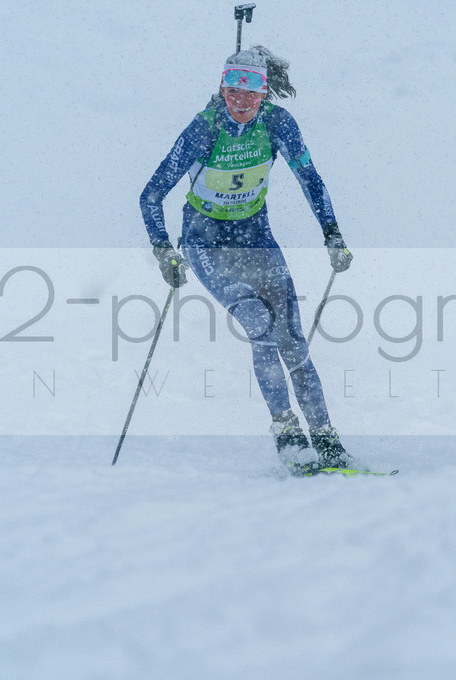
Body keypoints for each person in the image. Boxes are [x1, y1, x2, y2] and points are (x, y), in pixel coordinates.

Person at [139, 45, 355, 472]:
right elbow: (151, 194)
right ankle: (287, 433)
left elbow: (310, 179)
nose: (241, 100)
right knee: (259, 323)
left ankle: (328, 442)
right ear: (221, 88)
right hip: (207, 244)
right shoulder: (203, 129)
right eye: (232, 88)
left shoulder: (278, 124)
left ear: (264, 94)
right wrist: (164, 251)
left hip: (256, 239)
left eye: (251, 89)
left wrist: (332, 234)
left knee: (292, 339)